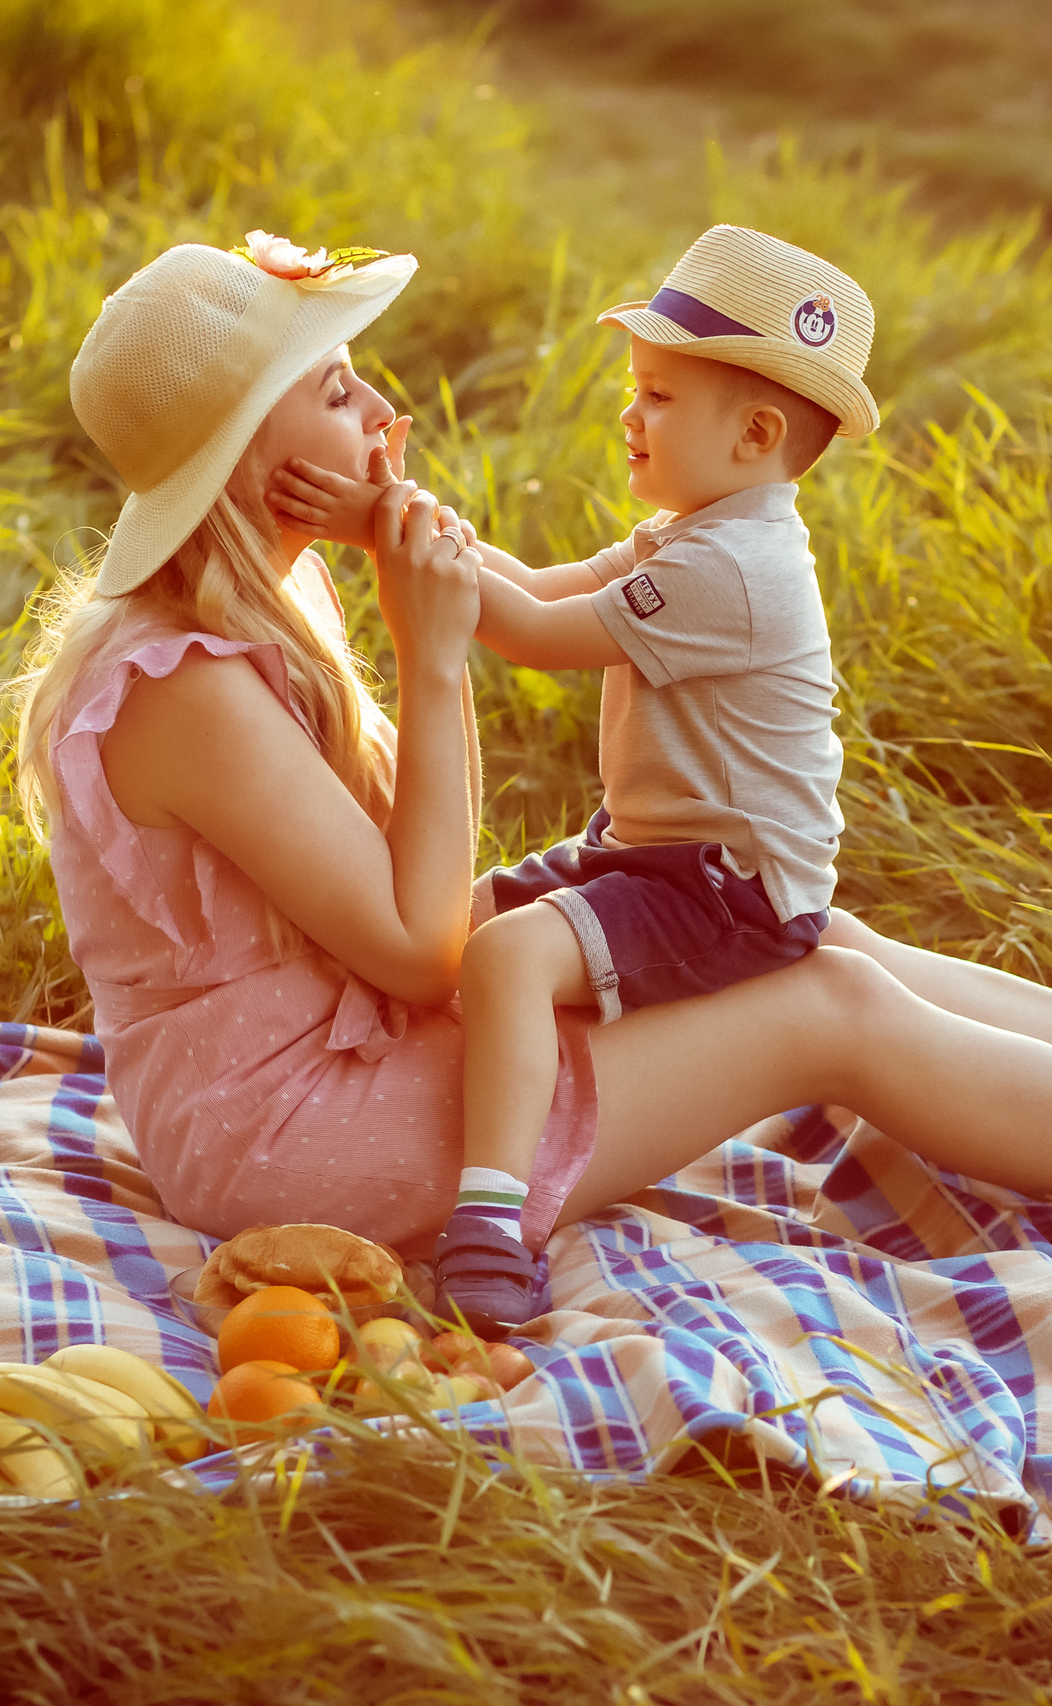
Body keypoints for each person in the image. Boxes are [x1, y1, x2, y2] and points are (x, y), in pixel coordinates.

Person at [8, 230, 1052, 1324]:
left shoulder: (256, 621)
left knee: (824, 940)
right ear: (247, 452)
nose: (385, 413)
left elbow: (410, 917)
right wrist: (434, 659)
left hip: (352, 1040)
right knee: (827, 1007)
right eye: (338, 389)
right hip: (291, 1136)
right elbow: (422, 945)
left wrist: (431, 616)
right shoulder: (185, 687)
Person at [271, 226, 870, 1332]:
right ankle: (423, 1095)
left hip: (724, 889)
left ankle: (491, 1216)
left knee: (505, 958)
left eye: (657, 396)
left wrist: (384, 535)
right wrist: (403, 517)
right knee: (458, 924)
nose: (629, 414)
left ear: (754, 434)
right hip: (653, 854)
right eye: (635, 389)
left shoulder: (733, 569)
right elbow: (536, 581)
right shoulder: (697, 532)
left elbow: (534, 633)